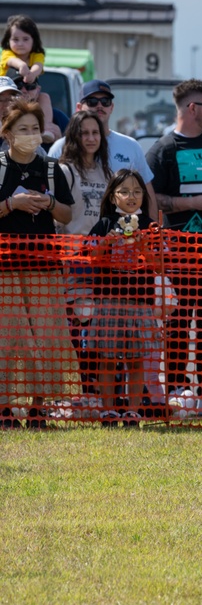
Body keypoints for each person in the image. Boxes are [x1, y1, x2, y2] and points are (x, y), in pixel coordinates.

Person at [147, 79, 202, 403]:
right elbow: (151, 200)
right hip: (179, 253)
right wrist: (193, 203)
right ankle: (176, 387)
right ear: (191, 108)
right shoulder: (163, 150)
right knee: (179, 321)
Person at [0, 100, 78, 429]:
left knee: (48, 337)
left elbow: (67, 214)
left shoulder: (51, 168)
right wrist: (10, 203)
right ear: (7, 134)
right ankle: (4, 409)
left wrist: (48, 202)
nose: (31, 135)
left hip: (44, 266)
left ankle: (38, 408)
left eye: (35, 129)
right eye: (23, 130)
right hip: (4, 268)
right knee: (9, 337)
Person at [84, 170, 169, 426]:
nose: (131, 196)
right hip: (108, 300)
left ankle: (132, 411)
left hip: (141, 302)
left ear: (144, 195)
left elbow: (161, 266)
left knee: (136, 359)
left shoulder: (151, 226)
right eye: (124, 191)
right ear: (112, 196)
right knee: (107, 359)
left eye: (137, 191)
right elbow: (90, 258)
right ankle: (108, 410)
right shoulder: (104, 224)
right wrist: (106, 244)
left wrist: (143, 248)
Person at [48, 80, 158, 216]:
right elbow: (51, 195)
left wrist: (154, 231)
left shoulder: (131, 146)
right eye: (92, 101)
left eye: (105, 101)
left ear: (111, 107)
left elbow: (147, 194)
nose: (99, 106)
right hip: (73, 234)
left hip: (121, 233)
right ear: (79, 107)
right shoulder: (60, 147)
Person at [56, 111, 113, 235]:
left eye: (95, 132)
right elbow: (57, 221)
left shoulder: (106, 173)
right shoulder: (65, 171)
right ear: (74, 136)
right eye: (84, 133)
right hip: (72, 250)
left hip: (100, 249)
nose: (91, 138)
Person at [14, 76, 59, 144]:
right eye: (18, 86)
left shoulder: (56, 116)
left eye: (30, 86)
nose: (24, 90)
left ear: (38, 90)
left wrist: (60, 139)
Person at [1, 15, 44, 84]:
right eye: (16, 39)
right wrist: (22, 65)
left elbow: (38, 66)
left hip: (27, 89)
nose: (20, 44)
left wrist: (32, 74)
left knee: (44, 95)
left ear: (34, 40)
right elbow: (11, 60)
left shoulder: (37, 55)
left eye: (25, 39)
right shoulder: (6, 53)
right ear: (8, 40)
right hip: (6, 91)